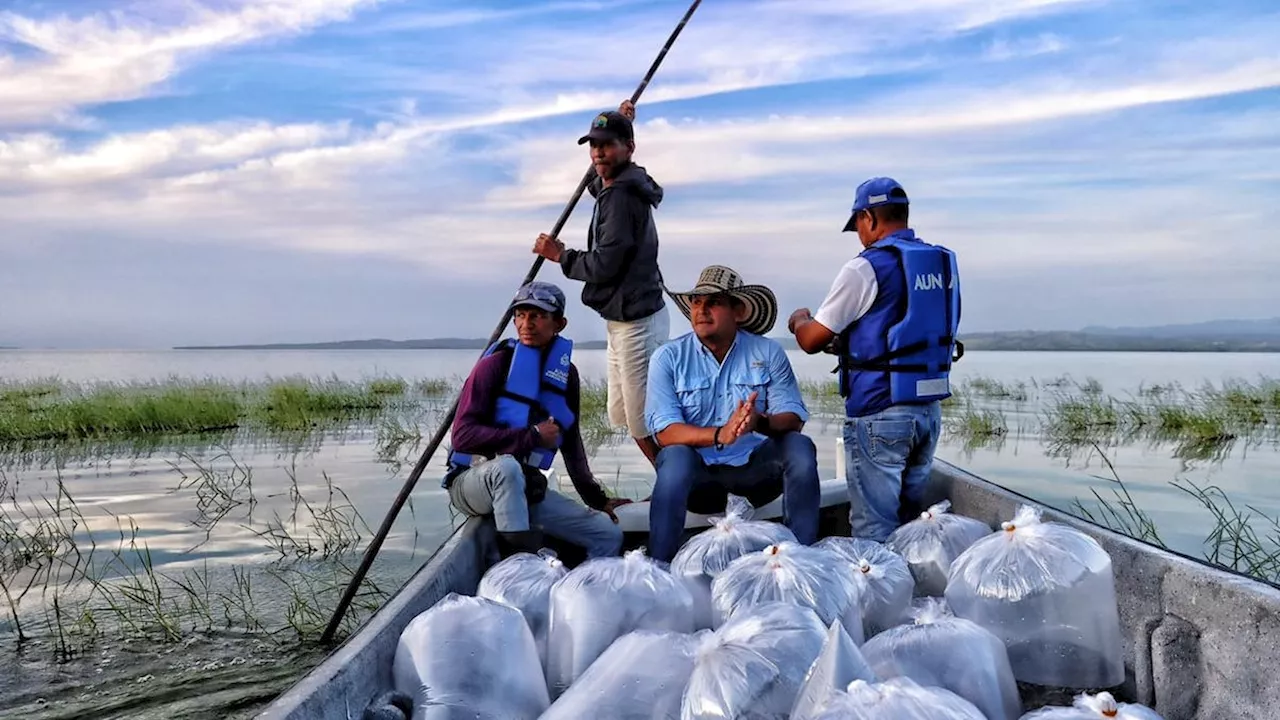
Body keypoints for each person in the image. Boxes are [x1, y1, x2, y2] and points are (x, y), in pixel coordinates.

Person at [787, 177, 962, 542]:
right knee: (911, 525)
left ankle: (881, 599)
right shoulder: (942, 263)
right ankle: (910, 594)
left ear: (868, 217)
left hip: (880, 413)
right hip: (928, 412)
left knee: (873, 531)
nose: (860, 236)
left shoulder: (865, 268)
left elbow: (811, 340)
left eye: (858, 227)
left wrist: (798, 319)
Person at [643, 265, 821, 563]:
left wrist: (759, 422)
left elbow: (793, 418)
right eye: (696, 302)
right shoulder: (668, 357)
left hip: (756, 478)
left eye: (714, 302)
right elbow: (665, 431)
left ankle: (801, 560)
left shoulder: (768, 352)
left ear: (738, 311)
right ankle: (660, 564)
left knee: (800, 447)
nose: (701, 310)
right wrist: (719, 434)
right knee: (674, 457)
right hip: (699, 483)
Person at [442, 280, 633, 557]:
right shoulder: (493, 366)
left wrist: (597, 499)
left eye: (538, 316)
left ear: (560, 323)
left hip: (523, 486)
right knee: (506, 468)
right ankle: (519, 568)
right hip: (472, 483)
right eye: (521, 315)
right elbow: (462, 436)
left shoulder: (566, 376)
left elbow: (571, 442)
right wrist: (531, 436)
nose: (526, 323)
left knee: (607, 535)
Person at [532, 99, 670, 468]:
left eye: (607, 145)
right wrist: (622, 123)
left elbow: (605, 264)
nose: (598, 153)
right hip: (623, 319)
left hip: (637, 321)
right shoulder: (617, 184)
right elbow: (600, 182)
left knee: (644, 422)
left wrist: (560, 254)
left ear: (629, 148)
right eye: (594, 145)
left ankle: (684, 490)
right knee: (624, 415)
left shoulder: (622, 196)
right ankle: (678, 484)